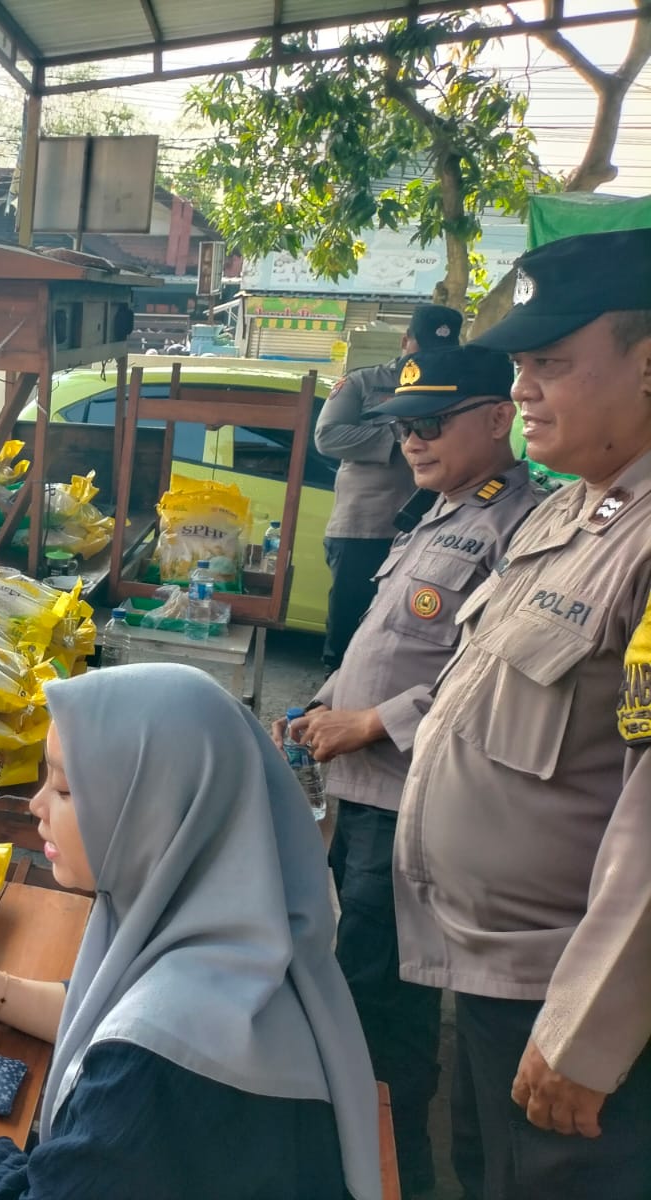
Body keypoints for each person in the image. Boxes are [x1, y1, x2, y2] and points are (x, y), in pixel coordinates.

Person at [0, 665, 382, 1200]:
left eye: (67, 790)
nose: (36, 806)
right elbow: (101, 1013)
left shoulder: (155, 1067)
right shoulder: (241, 941)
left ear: (154, 813)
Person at [392, 227, 651, 1200]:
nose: (523, 390)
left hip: (566, 995)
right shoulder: (568, 509)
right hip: (490, 974)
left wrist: (588, 1030)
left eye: (551, 363)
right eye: (518, 365)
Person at [276, 344, 542, 1196]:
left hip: (408, 807)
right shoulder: (437, 513)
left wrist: (371, 723)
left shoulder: (519, 525)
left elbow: (492, 681)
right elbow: (386, 645)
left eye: (430, 424)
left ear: (499, 418)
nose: (412, 444)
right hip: (363, 796)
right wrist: (325, 701)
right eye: (402, 427)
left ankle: (395, 1175)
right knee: (353, 976)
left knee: (381, 1006)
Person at [315, 304, 462, 671]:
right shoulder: (364, 383)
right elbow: (327, 436)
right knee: (350, 624)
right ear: (404, 341)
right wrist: (404, 434)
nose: (429, 358)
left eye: (440, 353)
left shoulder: (454, 389)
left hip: (428, 525)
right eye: (422, 348)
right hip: (365, 525)